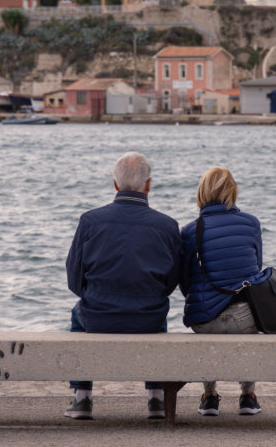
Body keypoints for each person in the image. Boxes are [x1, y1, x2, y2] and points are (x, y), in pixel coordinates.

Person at [64, 152, 181, 420]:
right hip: (148, 317)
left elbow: (74, 275)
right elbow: (172, 280)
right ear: (148, 185)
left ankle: (82, 398)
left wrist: (94, 296)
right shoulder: (167, 226)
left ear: (115, 184)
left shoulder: (90, 221)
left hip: (98, 317)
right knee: (159, 313)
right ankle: (156, 399)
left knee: (77, 314)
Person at [179, 166, 270, 416]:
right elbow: (256, 270)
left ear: (202, 193)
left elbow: (185, 282)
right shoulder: (251, 223)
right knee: (249, 317)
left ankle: (209, 396)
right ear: (233, 191)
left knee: (206, 319)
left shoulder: (189, 231)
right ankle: (248, 396)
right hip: (244, 319)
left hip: (205, 321)